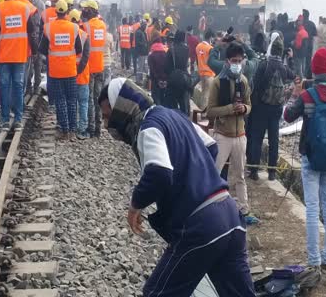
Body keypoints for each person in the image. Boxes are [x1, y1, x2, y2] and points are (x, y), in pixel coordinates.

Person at [98, 78, 255, 296]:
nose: (107, 125)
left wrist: (136, 205)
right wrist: (198, 179)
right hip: (230, 216)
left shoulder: (148, 128)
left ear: (123, 107)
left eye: (108, 116)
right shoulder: (173, 115)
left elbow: (159, 172)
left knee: (158, 292)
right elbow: (210, 148)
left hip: (201, 227)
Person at [283, 48, 326, 272]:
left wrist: (294, 94)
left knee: (312, 208)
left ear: (314, 68)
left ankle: (314, 261)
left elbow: (288, 116)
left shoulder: (308, 95)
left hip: (311, 157)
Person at [207, 42, 251, 215]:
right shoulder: (217, 82)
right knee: (215, 173)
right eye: (234, 60)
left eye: (240, 61)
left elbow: (249, 104)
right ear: (227, 61)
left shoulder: (244, 81)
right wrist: (230, 108)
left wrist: (244, 109)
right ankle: (211, 205)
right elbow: (210, 111)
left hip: (240, 135)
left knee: (240, 175)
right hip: (222, 135)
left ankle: (243, 207)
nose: (237, 64)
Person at [0, 0, 37, 129]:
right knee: (18, 85)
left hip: (4, 56)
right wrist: (34, 51)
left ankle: (4, 120)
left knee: (5, 86)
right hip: (20, 55)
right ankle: (18, 119)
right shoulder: (24, 8)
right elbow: (31, 31)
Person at [38, 0, 89, 140]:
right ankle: (73, 131)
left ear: (56, 12)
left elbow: (42, 49)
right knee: (72, 100)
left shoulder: (48, 28)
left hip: (55, 72)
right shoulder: (73, 28)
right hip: (70, 71)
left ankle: (64, 131)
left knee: (60, 100)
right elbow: (79, 49)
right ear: (66, 12)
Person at [248, 38, 295, 181]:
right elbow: (293, 76)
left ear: (271, 49)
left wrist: (253, 104)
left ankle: (254, 170)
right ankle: (272, 172)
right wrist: (290, 59)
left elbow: (254, 85)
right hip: (276, 109)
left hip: (261, 107)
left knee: (257, 138)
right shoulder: (284, 68)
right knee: (274, 140)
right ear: (281, 52)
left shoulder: (264, 64)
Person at [81, 0, 108, 138]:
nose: (84, 11)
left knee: (90, 99)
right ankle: (98, 129)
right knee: (98, 99)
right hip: (100, 67)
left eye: (86, 9)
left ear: (91, 11)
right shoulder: (103, 25)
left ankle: (90, 129)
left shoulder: (85, 26)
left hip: (89, 68)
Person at [68, 9, 92, 139]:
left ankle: (71, 127)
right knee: (83, 102)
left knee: (72, 102)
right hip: (82, 76)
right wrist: (79, 71)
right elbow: (86, 56)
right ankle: (82, 129)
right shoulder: (84, 35)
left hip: (69, 74)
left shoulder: (67, 34)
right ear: (79, 21)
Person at [20, 0, 43, 96]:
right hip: (35, 40)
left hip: (25, 43)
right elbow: (38, 25)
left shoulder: (19, 3)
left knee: (28, 68)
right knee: (36, 64)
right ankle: (34, 88)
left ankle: (29, 88)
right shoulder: (39, 5)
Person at [165, 30, 191, 115]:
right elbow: (186, 64)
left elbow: (166, 67)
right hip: (184, 80)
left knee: (172, 105)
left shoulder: (171, 49)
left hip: (173, 80)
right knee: (184, 105)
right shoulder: (187, 49)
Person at [195, 30, 216, 109]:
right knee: (208, 94)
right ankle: (204, 113)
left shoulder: (198, 46)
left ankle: (201, 110)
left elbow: (197, 60)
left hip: (201, 73)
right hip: (209, 73)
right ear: (210, 38)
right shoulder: (210, 48)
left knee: (204, 93)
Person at [148, 33, 169, 105]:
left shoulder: (151, 55)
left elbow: (152, 70)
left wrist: (158, 80)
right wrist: (165, 80)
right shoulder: (166, 54)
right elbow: (168, 68)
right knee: (163, 98)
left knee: (156, 98)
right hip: (165, 81)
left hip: (155, 81)